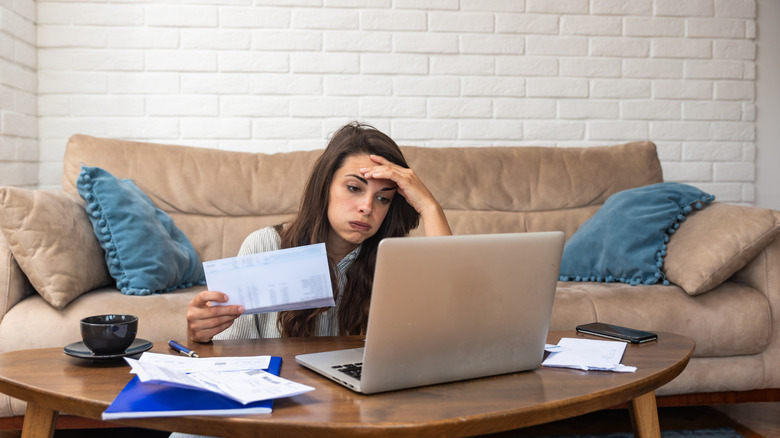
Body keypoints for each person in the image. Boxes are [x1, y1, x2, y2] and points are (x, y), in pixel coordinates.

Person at [186, 121, 452, 344]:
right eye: (354, 188)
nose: (367, 207)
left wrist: (430, 206)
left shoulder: (396, 260)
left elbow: (451, 320)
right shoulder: (265, 244)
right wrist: (200, 335)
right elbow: (232, 352)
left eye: (383, 198)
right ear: (325, 186)